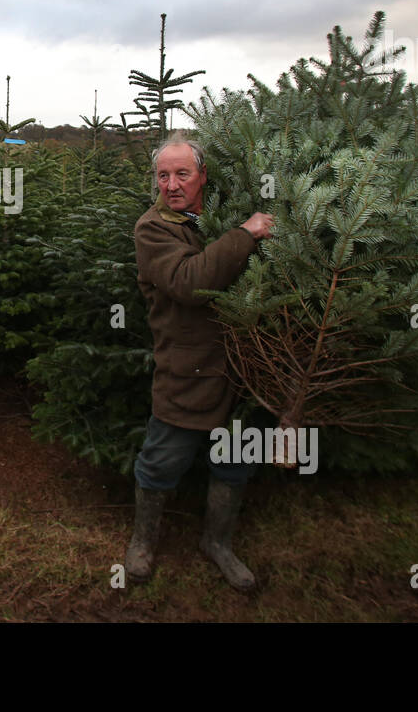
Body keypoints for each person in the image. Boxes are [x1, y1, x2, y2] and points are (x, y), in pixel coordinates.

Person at [125, 131, 274, 589]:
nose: (171, 184)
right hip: (185, 372)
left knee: (234, 462)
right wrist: (246, 232)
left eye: (182, 173)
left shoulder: (212, 218)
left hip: (239, 370)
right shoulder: (153, 229)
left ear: (202, 176)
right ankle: (143, 542)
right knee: (161, 461)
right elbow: (191, 282)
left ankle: (218, 542)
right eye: (163, 175)